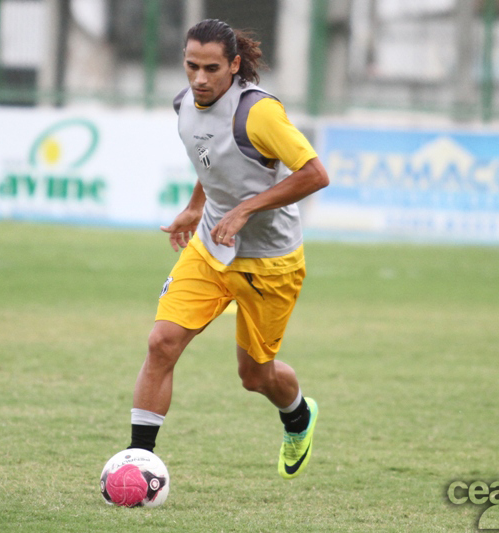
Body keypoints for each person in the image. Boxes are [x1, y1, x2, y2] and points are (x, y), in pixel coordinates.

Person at [128, 19, 329, 480]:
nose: (200, 78)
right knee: (161, 343)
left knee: (255, 377)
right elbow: (213, 160)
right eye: (191, 65)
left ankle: (298, 416)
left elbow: (315, 174)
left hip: (270, 261)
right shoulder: (183, 104)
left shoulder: (258, 113)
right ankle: (138, 461)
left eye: (212, 68)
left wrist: (245, 210)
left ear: (235, 65)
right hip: (210, 249)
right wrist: (196, 207)